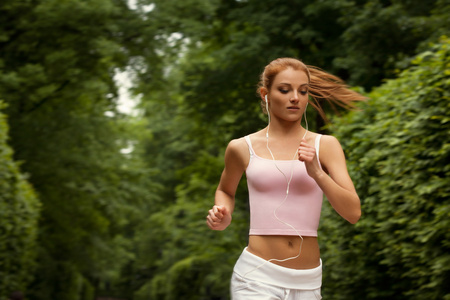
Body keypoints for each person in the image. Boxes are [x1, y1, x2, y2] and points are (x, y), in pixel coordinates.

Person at [206, 57, 364, 299]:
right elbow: (225, 190)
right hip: (256, 277)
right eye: (284, 90)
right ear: (265, 94)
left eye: (303, 91)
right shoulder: (241, 147)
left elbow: (353, 213)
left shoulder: (326, 145)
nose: (295, 98)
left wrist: (317, 173)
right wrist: (222, 213)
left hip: (308, 282)